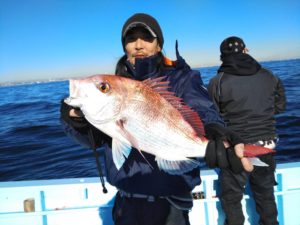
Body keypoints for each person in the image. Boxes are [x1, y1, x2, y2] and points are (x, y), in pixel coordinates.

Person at [60, 14, 252, 225]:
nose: (139, 45)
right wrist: (76, 121)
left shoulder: (181, 78)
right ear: (124, 46)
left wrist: (214, 129)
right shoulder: (119, 86)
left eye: (146, 38)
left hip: (171, 205)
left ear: (159, 45)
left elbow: (201, 107)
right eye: (131, 39)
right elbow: (96, 141)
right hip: (126, 203)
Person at [208, 36, 286, 225]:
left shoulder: (217, 81)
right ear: (246, 50)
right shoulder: (270, 76)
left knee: (232, 198)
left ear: (222, 56)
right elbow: (279, 107)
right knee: (266, 196)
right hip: (265, 145)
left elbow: (212, 116)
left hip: (235, 149)